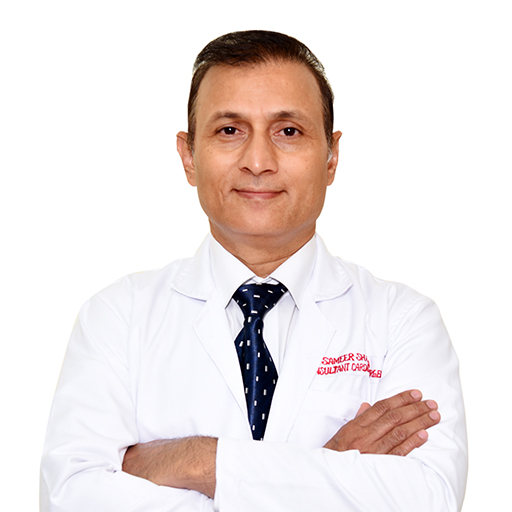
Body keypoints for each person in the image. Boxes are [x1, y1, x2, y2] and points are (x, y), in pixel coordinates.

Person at [40, 30, 467, 511]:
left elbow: (428, 499)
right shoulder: (117, 317)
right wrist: (325, 470)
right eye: (229, 131)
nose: (259, 162)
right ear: (188, 156)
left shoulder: (402, 321)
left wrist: (200, 461)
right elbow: (70, 498)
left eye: (288, 131)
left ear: (331, 157)